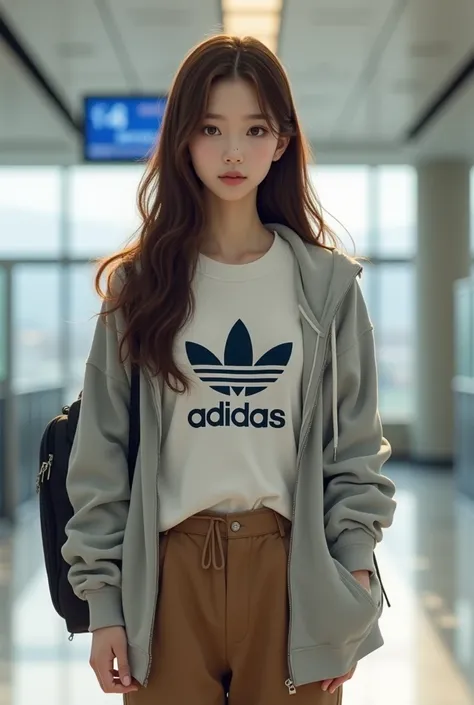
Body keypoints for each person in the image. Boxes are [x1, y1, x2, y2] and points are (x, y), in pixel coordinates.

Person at [62, 34, 397, 704]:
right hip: (167, 574)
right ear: (184, 140)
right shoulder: (141, 288)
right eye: (211, 128)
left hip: (289, 569)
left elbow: (354, 448)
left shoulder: (326, 288)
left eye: (255, 129)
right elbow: (100, 455)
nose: (234, 151)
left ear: (282, 141)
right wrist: (103, 603)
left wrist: (352, 578)